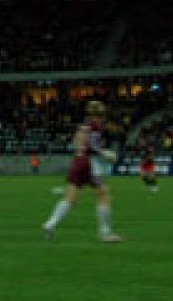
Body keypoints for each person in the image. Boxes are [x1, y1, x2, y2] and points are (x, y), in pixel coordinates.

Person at [41, 100, 122, 242]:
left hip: (77, 161)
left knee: (70, 198)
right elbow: (91, 144)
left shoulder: (84, 125)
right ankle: (105, 233)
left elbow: (76, 142)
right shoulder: (96, 125)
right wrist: (105, 153)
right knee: (104, 195)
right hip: (89, 163)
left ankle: (50, 224)